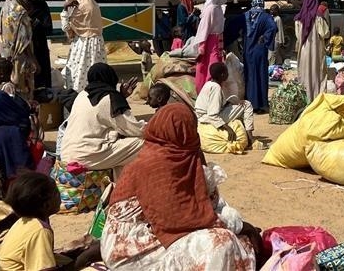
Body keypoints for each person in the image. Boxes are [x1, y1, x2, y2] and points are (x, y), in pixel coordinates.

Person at [101, 103, 259, 270]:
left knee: (240, 242)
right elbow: (179, 220)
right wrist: (240, 226)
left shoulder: (178, 155)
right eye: (191, 129)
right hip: (130, 248)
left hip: (157, 230)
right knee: (222, 242)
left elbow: (201, 201)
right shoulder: (154, 165)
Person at [60, 63, 143, 175]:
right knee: (145, 143)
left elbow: (102, 112)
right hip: (86, 156)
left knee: (119, 150)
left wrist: (121, 96)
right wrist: (157, 126)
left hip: (66, 153)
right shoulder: (111, 98)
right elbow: (133, 129)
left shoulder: (82, 95)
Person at [0, 171, 63, 271]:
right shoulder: (40, 230)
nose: (60, 196)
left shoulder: (24, 221)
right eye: (56, 193)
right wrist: (84, 258)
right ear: (46, 204)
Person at [61, 0, 107, 93]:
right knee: (95, 72)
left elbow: (66, 27)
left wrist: (65, 9)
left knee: (79, 74)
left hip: (82, 45)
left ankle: (78, 97)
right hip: (97, 44)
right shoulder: (94, 5)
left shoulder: (79, 9)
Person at [195, 63, 255, 145]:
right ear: (222, 75)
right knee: (247, 105)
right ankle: (250, 138)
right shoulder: (216, 88)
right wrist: (228, 128)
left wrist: (233, 102)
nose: (228, 74)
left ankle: (245, 133)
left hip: (201, 116)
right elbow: (212, 115)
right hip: (207, 118)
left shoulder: (208, 84)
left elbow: (216, 104)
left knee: (240, 104)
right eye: (227, 72)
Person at [0, 0, 38, 101]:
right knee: (23, 89)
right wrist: (33, 60)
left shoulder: (4, 9)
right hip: (21, 58)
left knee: (10, 87)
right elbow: (25, 41)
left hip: (6, 56)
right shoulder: (20, 12)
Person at [241, 0, 278, 113]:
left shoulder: (245, 15)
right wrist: (265, 38)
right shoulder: (266, 17)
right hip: (259, 50)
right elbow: (273, 27)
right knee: (260, 76)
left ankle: (250, 103)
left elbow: (234, 27)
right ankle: (260, 105)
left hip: (248, 51)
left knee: (250, 76)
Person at [193, 0, 231, 93]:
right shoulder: (211, 9)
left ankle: (212, 92)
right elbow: (204, 29)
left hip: (217, 42)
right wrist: (202, 47)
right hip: (210, 43)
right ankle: (205, 92)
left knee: (215, 67)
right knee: (210, 67)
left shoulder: (218, 8)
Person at [295, 0, 330, 102]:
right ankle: (316, 99)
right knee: (317, 74)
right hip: (316, 50)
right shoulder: (318, 17)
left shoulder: (299, 19)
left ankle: (305, 98)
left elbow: (298, 36)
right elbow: (325, 33)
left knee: (305, 73)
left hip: (304, 50)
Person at [26, 0, 53, 90]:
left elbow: (48, 27)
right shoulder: (20, 6)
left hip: (40, 45)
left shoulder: (42, 5)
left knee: (43, 74)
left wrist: (37, 24)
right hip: (26, 46)